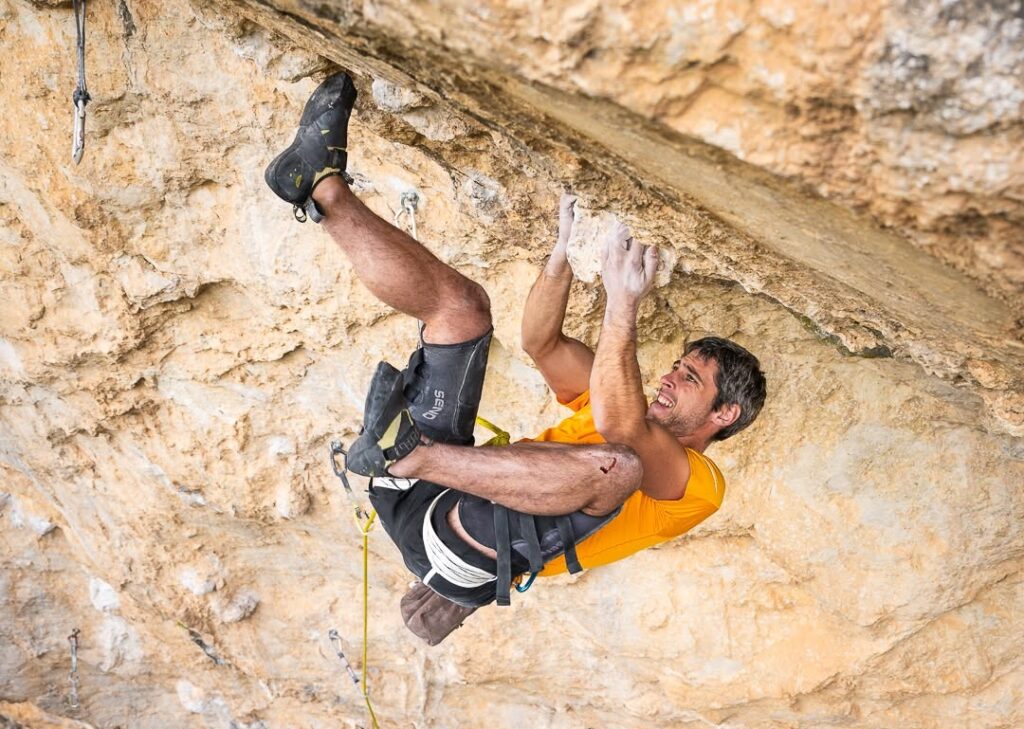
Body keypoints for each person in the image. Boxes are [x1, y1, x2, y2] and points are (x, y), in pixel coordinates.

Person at [265, 73, 767, 644]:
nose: (670, 378)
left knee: (617, 467)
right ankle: (320, 185)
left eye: (692, 378)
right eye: (677, 366)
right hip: (435, 491)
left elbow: (621, 429)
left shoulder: (697, 486)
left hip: (468, 545)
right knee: (462, 308)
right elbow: (542, 343)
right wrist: (561, 256)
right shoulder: (604, 405)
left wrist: (622, 302)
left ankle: (409, 455)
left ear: (723, 414)